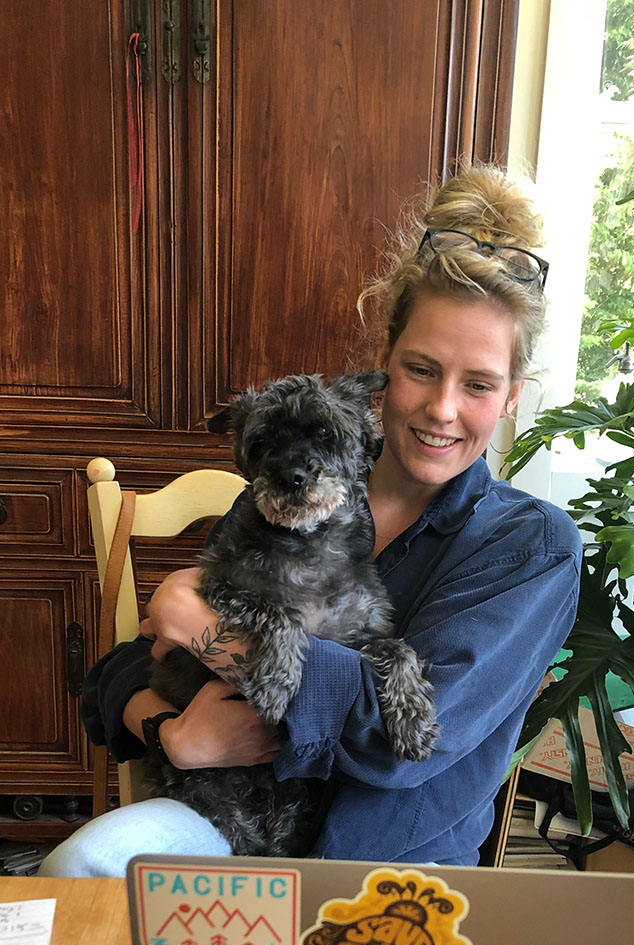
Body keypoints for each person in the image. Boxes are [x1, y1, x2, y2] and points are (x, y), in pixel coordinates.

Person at [39, 163, 582, 875]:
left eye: (477, 384)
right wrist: (174, 733)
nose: (442, 408)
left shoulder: (529, 546)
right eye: (420, 369)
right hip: (227, 818)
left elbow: (405, 740)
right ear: (382, 365)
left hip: (387, 861)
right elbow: (122, 671)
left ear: (511, 396)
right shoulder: (292, 490)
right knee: (81, 865)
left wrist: (209, 631)